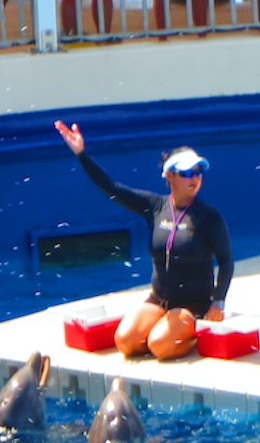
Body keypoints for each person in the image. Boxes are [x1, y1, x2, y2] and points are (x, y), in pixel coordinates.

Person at [55, 120, 233, 360]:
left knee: (160, 346)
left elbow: (226, 261)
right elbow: (111, 188)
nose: (195, 178)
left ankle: (192, 335)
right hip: (158, 300)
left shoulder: (209, 218)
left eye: (199, 172)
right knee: (125, 342)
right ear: (169, 176)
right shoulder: (155, 207)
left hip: (192, 306)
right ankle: (162, 327)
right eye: (187, 173)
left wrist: (217, 303)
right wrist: (81, 154)